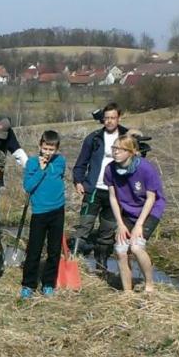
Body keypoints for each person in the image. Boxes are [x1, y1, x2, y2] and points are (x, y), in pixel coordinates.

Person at [72, 102, 128, 276]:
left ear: (119, 118)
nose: (110, 121)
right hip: (94, 188)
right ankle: (74, 262)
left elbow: (137, 159)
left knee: (107, 230)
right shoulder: (94, 138)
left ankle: (101, 264)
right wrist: (78, 181)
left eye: (113, 118)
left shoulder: (127, 136)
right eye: (107, 118)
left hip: (116, 191)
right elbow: (81, 162)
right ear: (102, 119)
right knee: (84, 226)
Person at [106, 134, 165, 294]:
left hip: (149, 209)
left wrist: (139, 225)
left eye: (120, 149)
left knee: (137, 246)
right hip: (127, 210)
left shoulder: (145, 168)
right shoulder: (110, 169)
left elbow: (151, 198)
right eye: (114, 148)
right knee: (120, 249)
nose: (115, 152)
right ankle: (127, 292)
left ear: (131, 152)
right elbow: (113, 197)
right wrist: (120, 223)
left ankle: (149, 285)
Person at [18, 131, 67, 299]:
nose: (48, 152)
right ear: (40, 146)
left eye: (51, 149)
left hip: (58, 210)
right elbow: (28, 187)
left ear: (56, 149)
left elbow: (59, 176)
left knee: (54, 250)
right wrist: (41, 169)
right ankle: (28, 284)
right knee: (34, 250)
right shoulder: (32, 163)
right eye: (45, 148)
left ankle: (48, 284)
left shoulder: (60, 161)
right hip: (39, 212)